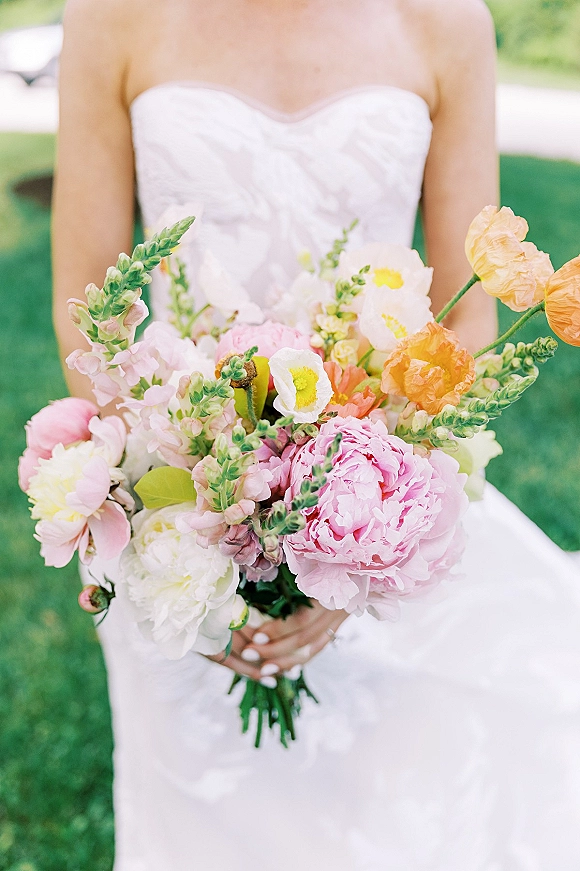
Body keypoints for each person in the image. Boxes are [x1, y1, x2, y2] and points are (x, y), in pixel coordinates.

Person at [52, 0, 580, 867]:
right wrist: (182, 513)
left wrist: (355, 542)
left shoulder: (449, 23)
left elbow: (468, 320)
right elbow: (87, 303)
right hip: (178, 515)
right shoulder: (111, 16)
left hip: (377, 494)